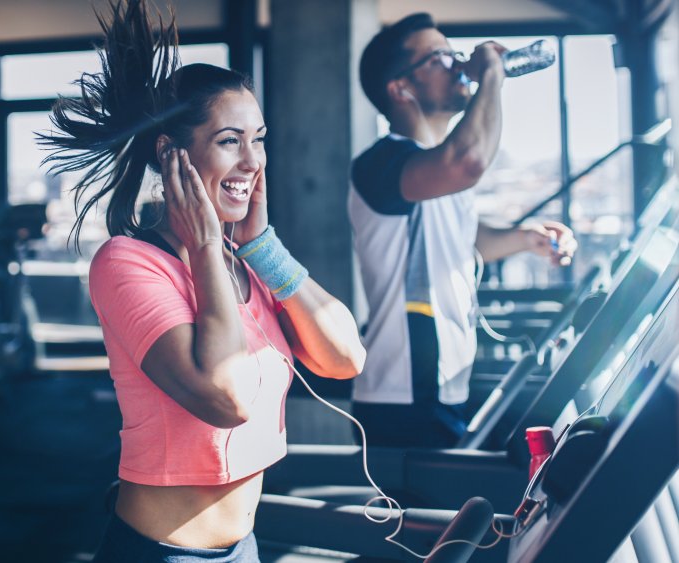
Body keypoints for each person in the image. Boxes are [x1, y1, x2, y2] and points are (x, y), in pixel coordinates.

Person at [39, 1, 366, 559]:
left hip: (244, 547)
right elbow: (227, 397)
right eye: (229, 141)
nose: (252, 161)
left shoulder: (249, 261)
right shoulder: (126, 263)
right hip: (161, 551)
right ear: (172, 156)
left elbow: (346, 358)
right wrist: (208, 245)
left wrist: (264, 250)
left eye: (258, 139)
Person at [349, 13, 577, 448]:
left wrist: (524, 238)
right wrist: (491, 72)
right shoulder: (382, 165)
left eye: (455, 53)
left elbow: (466, 240)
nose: (458, 64)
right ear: (401, 88)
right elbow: (468, 161)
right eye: (439, 57)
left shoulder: (437, 171)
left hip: (447, 385)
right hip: (404, 395)